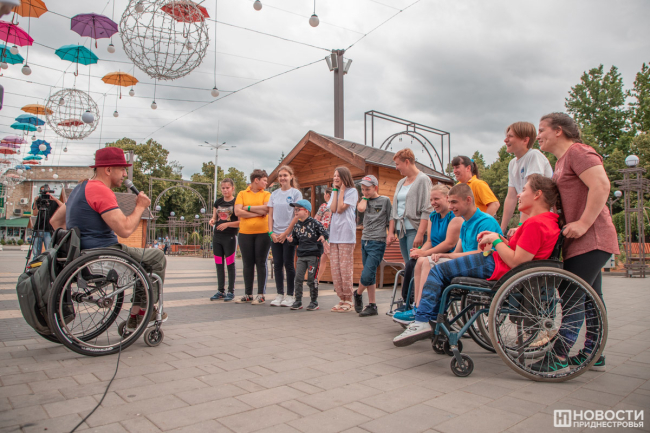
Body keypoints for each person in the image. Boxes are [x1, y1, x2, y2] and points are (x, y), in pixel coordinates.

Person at [393, 175, 561, 347]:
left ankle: (422, 320)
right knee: (437, 269)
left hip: (495, 266)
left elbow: (518, 262)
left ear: (537, 194)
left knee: (438, 270)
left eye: (524, 190)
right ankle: (430, 319)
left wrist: (495, 240)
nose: (519, 194)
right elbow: (520, 252)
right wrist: (500, 240)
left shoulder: (535, 224)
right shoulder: (546, 221)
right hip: (498, 264)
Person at [49, 147, 167, 330]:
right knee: (157, 257)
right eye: (122, 169)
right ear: (108, 169)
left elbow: (55, 221)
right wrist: (140, 206)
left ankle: (137, 314)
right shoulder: (101, 190)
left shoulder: (80, 188)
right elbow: (125, 229)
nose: (125, 174)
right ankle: (144, 310)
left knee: (143, 261)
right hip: (104, 253)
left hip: (82, 255)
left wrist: (79, 239)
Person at [536, 112, 619, 373]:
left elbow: (601, 185)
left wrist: (583, 223)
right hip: (580, 240)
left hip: (592, 237)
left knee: (572, 293)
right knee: (592, 298)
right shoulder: (562, 161)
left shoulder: (579, 152)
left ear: (558, 130)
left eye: (542, 130)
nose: (538, 136)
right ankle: (594, 353)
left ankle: (559, 354)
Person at [393, 184, 463, 324]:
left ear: (447, 198)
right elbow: (430, 241)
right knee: (411, 263)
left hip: (446, 253)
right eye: (431, 200)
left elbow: (449, 244)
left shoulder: (454, 217)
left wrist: (424, 253)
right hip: (432, 251)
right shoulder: (433, 216)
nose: (433, 203)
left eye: (436, 199)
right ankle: (410, 302)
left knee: (421, 262)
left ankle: (419, 307)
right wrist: (419, 252)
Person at [501, 122, 553, 236]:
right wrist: (501, 230)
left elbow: (532, 192)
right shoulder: (512, 163)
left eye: (510, 136)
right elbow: (511, 197)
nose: (505, 140)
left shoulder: (534, 155)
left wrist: (521, 225)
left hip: (541, 220)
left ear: (525, 140)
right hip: (528, 220)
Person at [352, 175, 392, 317]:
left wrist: (391, 233)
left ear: (376, 187)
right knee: (371, 274)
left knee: (367, 273)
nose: (365, 192)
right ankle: (372, 305)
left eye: (368, 189)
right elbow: (360, 209)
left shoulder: (385, 200)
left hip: (378, 241)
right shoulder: (365, 200)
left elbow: (391, 218)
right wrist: (365, 197)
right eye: (362, 189)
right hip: (365, 240)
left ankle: (357, 293)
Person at [387, 148, 434, 264]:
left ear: (407, 162)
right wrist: (391, 232)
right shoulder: (401, 182)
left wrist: (420, 234)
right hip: (401, 230)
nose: (396, 167)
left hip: (414, 229)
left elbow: (427, 209)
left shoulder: (423, 180)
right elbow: (394, 209)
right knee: (407, 263)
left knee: (414, 263)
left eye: (398, 164)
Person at [234, 169, 271, 305]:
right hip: (245, 233)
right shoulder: (242, 193)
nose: (266, 183)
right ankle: (248, 294)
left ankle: (261, 295)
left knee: (261, 262)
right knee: (247, 263)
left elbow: (266, 209)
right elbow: (238, 211)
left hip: (263, 232)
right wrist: (257, 213)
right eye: (264, 180)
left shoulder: (266, 194)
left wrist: (248, 208)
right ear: (256, 180)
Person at [267, 166, 302, 307]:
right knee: (277, 264)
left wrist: (286, 233)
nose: (282, 178)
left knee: (288, 264)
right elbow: (270, 215)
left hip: (289, 235)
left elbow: (297, 215)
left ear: (291, 176)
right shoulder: (274, 194)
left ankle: (290, 295)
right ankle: (279, 294)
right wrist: (271, 232)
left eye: (285, 175)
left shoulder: (296, 193)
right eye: (280, 176)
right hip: (275, 235)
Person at [286, 199, 328, 311]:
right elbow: (296, 240)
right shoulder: (296, 225)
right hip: (301, 255)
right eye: (295, 209)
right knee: (298, 278)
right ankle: (298, 301)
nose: (295, 211)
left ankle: (314, 301)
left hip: (313, 255)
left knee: (311, 279)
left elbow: (325, 232)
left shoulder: (315, 223)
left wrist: (323, 236)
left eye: (298, 209)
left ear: (306, 211)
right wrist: (291, 241)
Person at [328, 166, 359, 312]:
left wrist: (341, 191)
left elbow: (341, 208)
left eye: (338, 176)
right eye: (334, 175)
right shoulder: (334, 192)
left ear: (345, 177)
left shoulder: (352, 191)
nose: (335, 178)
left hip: (346, 235)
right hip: (334, 235)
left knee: (345, 268)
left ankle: (349, 300)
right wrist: (335, 190)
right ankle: (341, 298)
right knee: (335, 268)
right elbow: (333, 209)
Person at [209, 178, 240, 302]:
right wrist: (212, 221)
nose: (225, 190)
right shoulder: (218, 202)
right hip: (217, 237)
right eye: (223, 188)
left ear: (232, 188)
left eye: (227, 188)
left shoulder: (236, 202)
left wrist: (227, 224)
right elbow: (214, 218)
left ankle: (231, 291)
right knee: (218, 264)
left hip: (230, 237)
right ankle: (220, 291)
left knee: (230, 264)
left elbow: (240, 222)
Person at [31, 184, 65, 258]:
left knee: (49, 251)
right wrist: (35, 201)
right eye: (42, 192)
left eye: (46, 192)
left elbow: (64, 207)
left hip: (48, 229)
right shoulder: (39, 201)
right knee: (36, 252)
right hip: (38, 228)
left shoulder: (53, 202)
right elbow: (35, 213)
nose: (45, 194)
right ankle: (36, 263)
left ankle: (48, 263)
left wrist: (55, 199)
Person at [314, 188, 332, 283]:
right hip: (334, 234)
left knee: (331, 259)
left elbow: (316, 220)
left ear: (327, 195)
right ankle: (317, 280)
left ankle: (338, 282)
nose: (324, 196)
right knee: (323, 259)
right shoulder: (336, 206)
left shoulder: (324, 206)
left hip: (324, 234)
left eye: (324, 194)